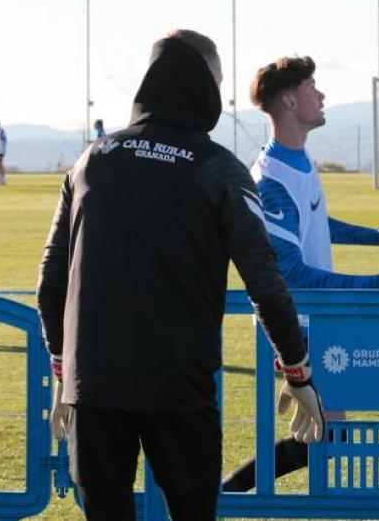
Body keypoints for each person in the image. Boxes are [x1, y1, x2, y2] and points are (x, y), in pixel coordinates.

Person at [36, 30, 326, 521]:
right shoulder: (218, 169)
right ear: (204, 84)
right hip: (179, 389)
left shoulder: (92, 161)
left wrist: (64, 370)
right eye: (217, 80)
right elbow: (265, 280)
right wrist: (296, 369)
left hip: (94, 387)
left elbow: (50, 283)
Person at [222, 55, 379, 495]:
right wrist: (376, 284)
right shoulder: (269, 178)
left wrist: (377, 238)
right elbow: (290, 273)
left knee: (333, 429)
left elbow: (316, 223)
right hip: (301, 327)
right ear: (291, 102)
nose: (322, 94)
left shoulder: (299, 159)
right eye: (314, 87)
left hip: (321, 321)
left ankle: (225, 493)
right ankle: (225, 494)